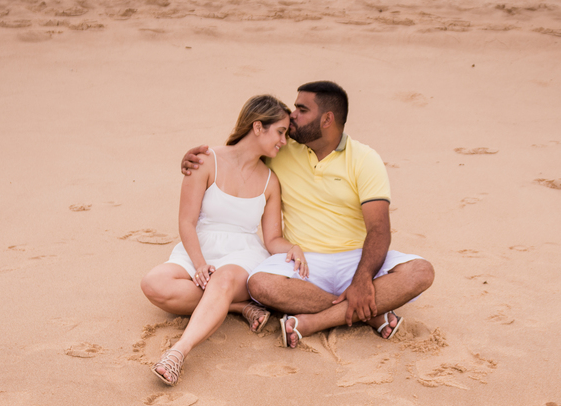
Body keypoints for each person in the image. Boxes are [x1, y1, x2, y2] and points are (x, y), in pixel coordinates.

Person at [182, 81, 433, 349]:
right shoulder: (281, 149)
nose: (292, 116)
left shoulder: (364, 159)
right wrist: (196, 161)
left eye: (302, 110)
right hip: (303, 265)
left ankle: (315, 322)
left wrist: (362, 279)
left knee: (421, 271)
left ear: (327, 119)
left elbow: (379, 229)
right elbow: (240, 155)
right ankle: (369, 314)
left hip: (356, 259)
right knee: (260, 284)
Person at [141, 95, 307, 385]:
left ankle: (178, 352)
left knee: (223, 279)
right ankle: (235, 306)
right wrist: (199, 264)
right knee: (153, 283)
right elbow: (186, 222)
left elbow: (272, 239)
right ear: (258, 127)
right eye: (280, 132)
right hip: (200, 246)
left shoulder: (270, 181)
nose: (284, 141)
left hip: (243, 254)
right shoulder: (205, 160)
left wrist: (292, 248)